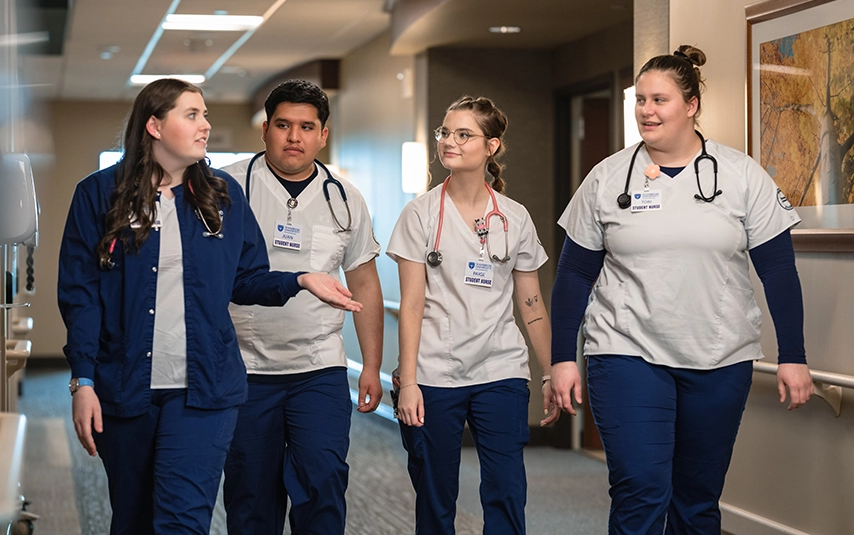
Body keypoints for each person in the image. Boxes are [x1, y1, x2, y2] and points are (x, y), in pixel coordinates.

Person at [57, 78, 361, 535]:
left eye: (205, 114)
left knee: (184, 520)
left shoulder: (221, 196)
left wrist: (299, 279)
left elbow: (246, 278)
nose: (206, 126)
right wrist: (83, 380)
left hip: (204, 391)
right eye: (193, 115)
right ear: (155, 125)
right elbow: (81, 295)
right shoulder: (98, 195)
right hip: (124, 388)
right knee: (133, 519)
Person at [550, 46, 814, 534]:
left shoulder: (740, 176)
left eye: (660, 100)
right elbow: (573, 275)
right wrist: (562, 356)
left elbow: (777, 271)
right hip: (625, 352)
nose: (646, 111)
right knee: (640, 491)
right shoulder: (607, 178)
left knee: (696, 500)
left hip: (719, 356)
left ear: (691, 105)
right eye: (641, 100)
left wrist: (793, 355)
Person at [387, 95, 560, 534]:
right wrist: (408, 382)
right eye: (445, 132)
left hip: (499, 368)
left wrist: (550, 371)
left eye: (464, 134)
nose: (449, 141)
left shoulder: (514, 218)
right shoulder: (420, 214)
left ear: (492, 146)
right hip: (433, 372)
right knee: (434, 493)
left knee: (505, 489)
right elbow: (411, 304)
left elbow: (532, 303)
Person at [220, 79, 383, 535]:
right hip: (245, 368)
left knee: (324, 482)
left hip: (319, 367)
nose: (295, 137)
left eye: (307, 127)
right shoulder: (227, 186)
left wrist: (371, 365)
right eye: (283, 125)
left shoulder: (346, 198)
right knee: (251, 494)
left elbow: (364, 283)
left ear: (323, 135)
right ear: (265, 130)